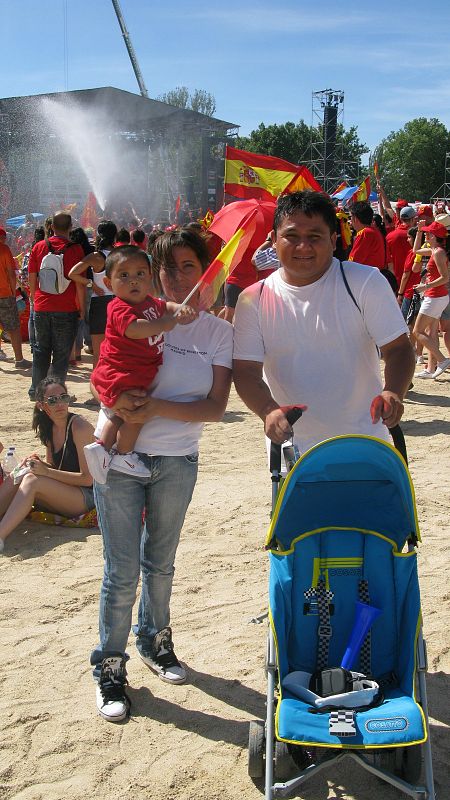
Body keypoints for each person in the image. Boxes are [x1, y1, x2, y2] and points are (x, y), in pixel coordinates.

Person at [90, 228, 233, 723]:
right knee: (121, 571)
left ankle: (155, 640)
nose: (176, 278)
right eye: (167, 268)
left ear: (205, 272)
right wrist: (117, 404)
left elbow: (215, 409)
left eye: (187, 267)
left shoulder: (217, 331)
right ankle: (110, 666)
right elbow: (105, 370)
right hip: (120, 460)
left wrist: (154, 407)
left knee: (162, 563)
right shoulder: (136, 314)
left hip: (177, 460)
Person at [233, 191, 415, 455]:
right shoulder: (253, 299)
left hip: (367, 441)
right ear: (273, 240)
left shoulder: (364, 282)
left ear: (333, 240)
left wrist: (394, 392)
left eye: (315, 237)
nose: (303, 247)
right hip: (293, 452)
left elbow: (398, 349)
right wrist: (267, 410)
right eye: (291, 236)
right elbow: (246, 371)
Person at [84, 246, 197, 483]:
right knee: (136, 416)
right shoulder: (118, 306)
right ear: (108, 282)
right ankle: (124, 454)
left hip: (132, 374)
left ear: (150, 278)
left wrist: (179, 309)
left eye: (140, 274)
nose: (133, 280)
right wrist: (165, 324)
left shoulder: (150, 302)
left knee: (121, 414)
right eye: (123, 275)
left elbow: (165, 307)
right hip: (123, 374)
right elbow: (135, 329)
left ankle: (101, 447)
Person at [0, 377, 95, 553]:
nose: (60, 404)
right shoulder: (49, 427)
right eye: (52, 400)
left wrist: (45, 472)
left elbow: (87, 479)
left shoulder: (79, 427)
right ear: (41, 405)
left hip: (87, 498)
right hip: (67, 491)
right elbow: (54, 467)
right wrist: (38, 464)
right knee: (20, 472)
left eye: (64, 397)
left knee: (32, 480)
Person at [27, 212, 85, 400]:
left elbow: (32, 277)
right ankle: (55, 396)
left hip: (42, 307)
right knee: (61, 356)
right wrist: (82, 308)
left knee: (41, 351)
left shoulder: (39, 247)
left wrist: (34, 301)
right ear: (70, 228)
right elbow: (79, 283)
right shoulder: (75, 250)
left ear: (51, 227)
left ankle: (36, 392)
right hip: (66, 308)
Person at [68, 220, 117, 369]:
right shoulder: (121, 254)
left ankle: (97, 385)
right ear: (115, 236)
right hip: (119, 302)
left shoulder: (95, 256)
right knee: (117, 350)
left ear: (98, 235)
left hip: (100, 303)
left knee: (98, 352)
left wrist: (91, 284)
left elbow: (72, 274)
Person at [412, 220, 450, 379]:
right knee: (430, 332)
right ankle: (430, 368)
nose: (426, 234)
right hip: (435, 296)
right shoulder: (435, 250)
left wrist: (425, 287)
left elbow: (445, 278)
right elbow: (415, 251)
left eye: (428, 232)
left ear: (434, 236)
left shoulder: (438, 252)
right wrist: (419, 232)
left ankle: (441, 360)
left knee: (417, 331)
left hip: (435, 296)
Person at [0, 226, 32, 368]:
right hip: (5, 293)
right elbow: (11, 273)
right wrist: (13, 292)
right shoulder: (4, 249)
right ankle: (19, 360)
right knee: (13, 327)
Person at [348, 201, 386, 269]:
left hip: (366, 276)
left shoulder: (365, 233)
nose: (350, 221)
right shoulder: (374, 231)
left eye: (350, 217)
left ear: (355, 218)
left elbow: (353, 262)